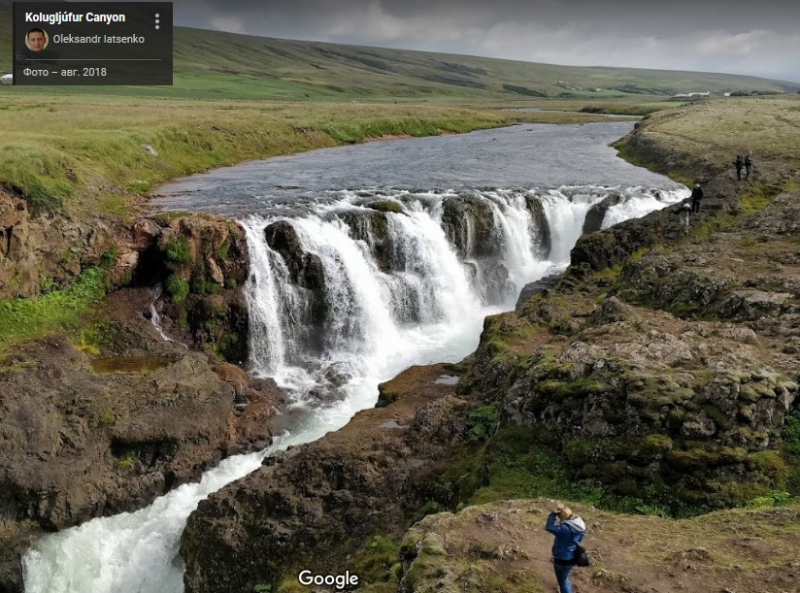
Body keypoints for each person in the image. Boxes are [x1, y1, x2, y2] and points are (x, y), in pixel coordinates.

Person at [546, 503, 586, 593]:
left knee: (562, 582)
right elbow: (580, 539)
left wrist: (553, 514)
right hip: (572, 557)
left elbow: (548, 527)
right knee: (564, 578)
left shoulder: (564, 529)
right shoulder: (579, 524)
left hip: (562, 559)